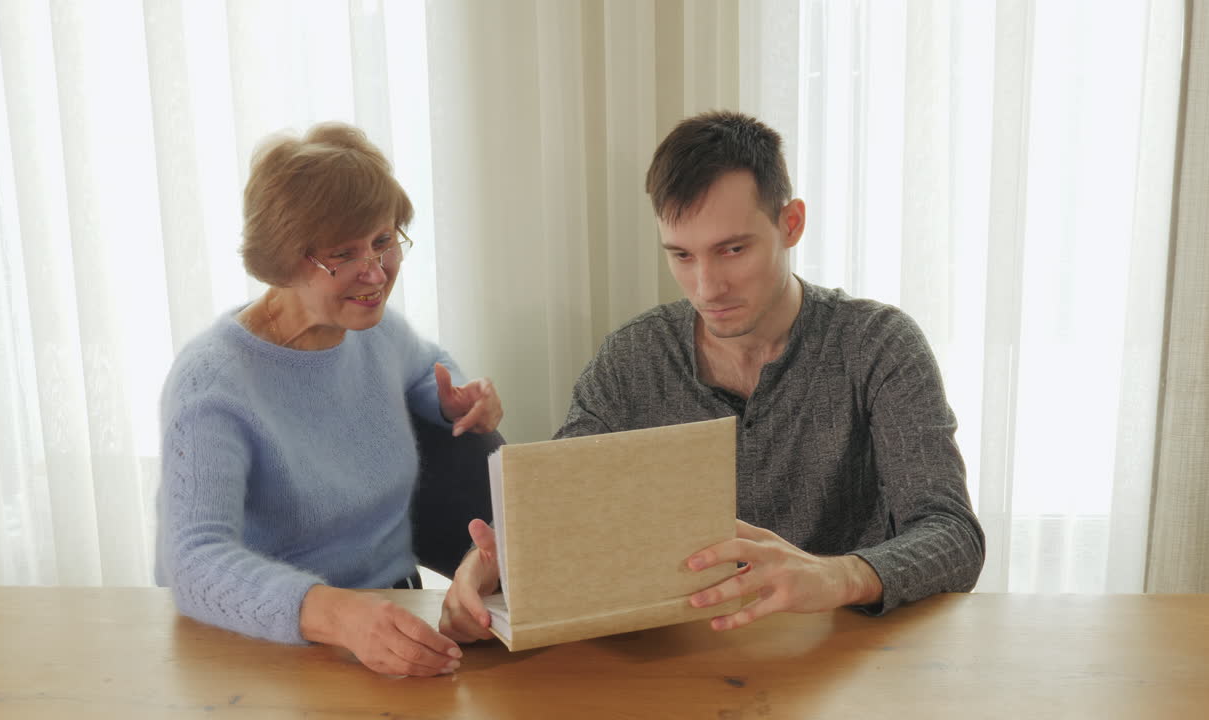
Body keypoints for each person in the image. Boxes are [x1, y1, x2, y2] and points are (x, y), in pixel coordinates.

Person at [440, 110, 984, 642]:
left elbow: (953, 534)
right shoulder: (633, 359)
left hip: (845, 653)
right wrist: (490, 566)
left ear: (790, 224)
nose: (706, 288)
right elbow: (558, 511)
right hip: (674, 661)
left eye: (732, 250)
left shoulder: (878, 344)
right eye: (681, 255)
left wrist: (834, 575)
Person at [157, 122, 502, 677]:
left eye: (384, 241)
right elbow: (193, 561)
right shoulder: (213, 381)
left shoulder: (375, 332)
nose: (375, 272)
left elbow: (424, 367)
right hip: (275, 647)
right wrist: (338, 616)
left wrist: (457, 397)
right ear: (284, 260)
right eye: (343, 254)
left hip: (392, 614)